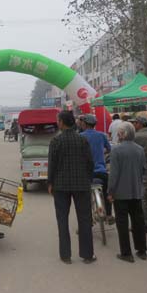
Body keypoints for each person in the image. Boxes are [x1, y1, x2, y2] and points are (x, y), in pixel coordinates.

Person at [47, 111, 95, 264]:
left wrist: (50, 183)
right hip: (81, 185)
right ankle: (87, 255)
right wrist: (88, 179)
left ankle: (65, 255)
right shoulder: (82, 140)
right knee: (85, 219)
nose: (57, 123)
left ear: (61, 122)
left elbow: (52, 165)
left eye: (57, 120)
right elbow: (90, 163)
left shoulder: (56, 141)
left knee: (62, 219)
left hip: (60, 186)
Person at [108, 122, 147, 263]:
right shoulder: (140, 150)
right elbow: (143, 170)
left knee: (122, 223)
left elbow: (113, 175)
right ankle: (142, 251)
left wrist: (110, 191)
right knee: (138, 221)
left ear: (122, 134)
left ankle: (126, 253)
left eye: (119, 132)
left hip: (120, 193)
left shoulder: (116, 151)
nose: (118, 134)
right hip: (136, 191)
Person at [80, 114, 113, 223]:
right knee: (107, 193)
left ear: (84, 124)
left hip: (86, 173)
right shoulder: (102, 135)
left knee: (84, 197)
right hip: (101, 171)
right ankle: (109, 215)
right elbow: (109, 149)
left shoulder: (81, 136)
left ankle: (88, 220)